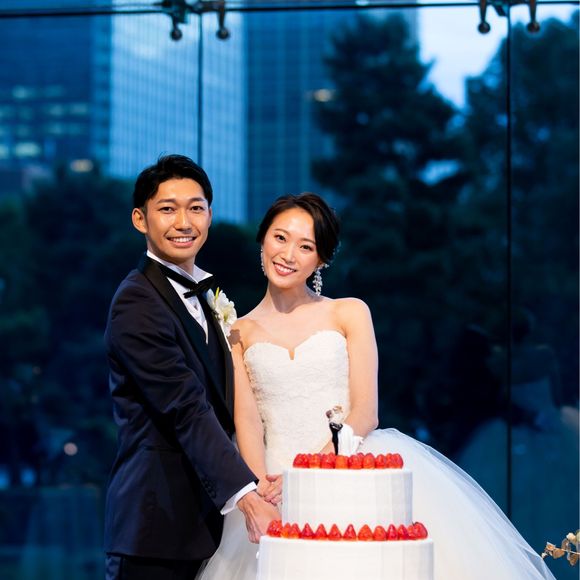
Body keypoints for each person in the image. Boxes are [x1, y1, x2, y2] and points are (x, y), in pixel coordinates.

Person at [197, 192, 557, 580]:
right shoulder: (238, 331)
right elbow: (248, 421)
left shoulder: (349, 312)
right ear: (263, 239)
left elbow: (366, 412)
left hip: (349, 470)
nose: (288, 255)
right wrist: (258, 491)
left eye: (306, 246)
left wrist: (306, 477)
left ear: (321, 259)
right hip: (273, 483)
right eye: (280, 238)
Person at [103, 154, 278, 580]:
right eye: (167, 209)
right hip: (154, 528)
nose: (184, 222)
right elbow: (185, 408)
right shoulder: (136, 301)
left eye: (195, 208)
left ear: (210, 216)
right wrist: (248, 497)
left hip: (205, 526)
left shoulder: (206, 293)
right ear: (140, 219)